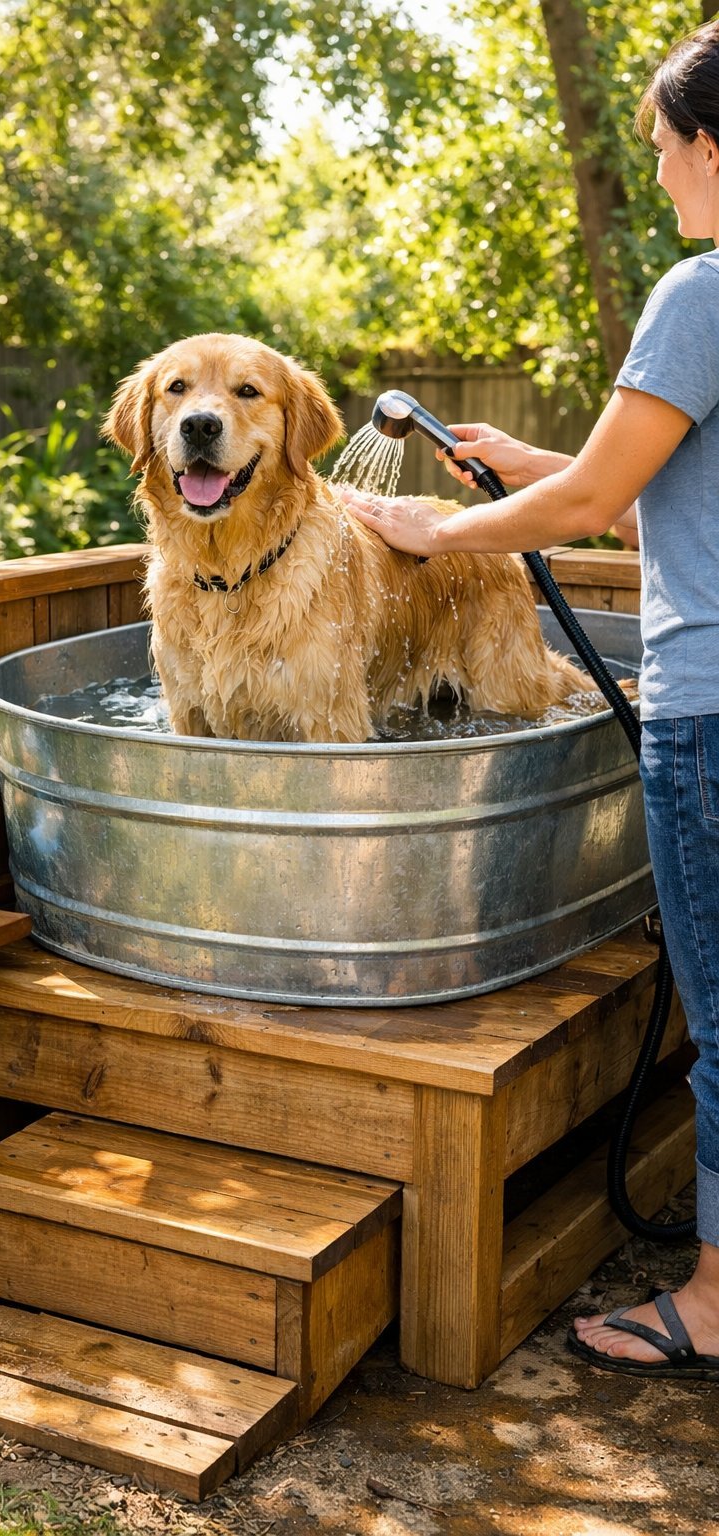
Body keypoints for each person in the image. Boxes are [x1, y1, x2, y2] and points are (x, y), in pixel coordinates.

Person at [339, 19, 719, 1378]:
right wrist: (524, 463)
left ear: (710, 145)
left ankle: (717, 1303)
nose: (664, 175)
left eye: (668, 149)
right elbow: (667, 490)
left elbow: (607, 501)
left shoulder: (702, 289)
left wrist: (432, 529)